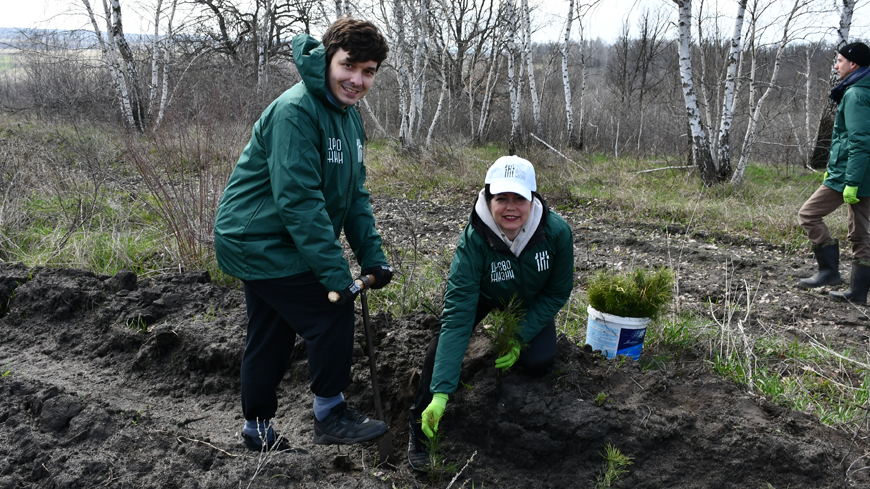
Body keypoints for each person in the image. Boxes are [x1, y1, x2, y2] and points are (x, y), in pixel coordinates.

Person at [213, 17, 393, 452]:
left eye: (368, 71)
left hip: (281, 238)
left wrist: (372, 255)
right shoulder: (295, 111)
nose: (357, 80)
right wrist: (336, 278)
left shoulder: (348, 118)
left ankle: (256, 430)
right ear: (328, 58)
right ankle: (330, 415)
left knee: (271, 331)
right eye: (349, 65)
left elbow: (353, 195)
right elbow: (300, 202)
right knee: (331, 312)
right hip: (257, 239)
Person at [405, 156, 574, 470]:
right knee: (440, 346)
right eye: (501, 198)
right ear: (488, 198)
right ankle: (419, 423)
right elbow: (458, 316)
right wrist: (441, 393)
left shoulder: (556, 233)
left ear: (533, 199)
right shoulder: (474, 240)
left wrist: (518, 336)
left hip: (529, 300)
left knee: (538, 361)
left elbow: (557, 291)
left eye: (519, 198)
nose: (510, 208)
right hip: (482, 297)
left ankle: (510, 403)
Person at [798, 41, 870, 305]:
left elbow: (859, 141)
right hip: (864, 174)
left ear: (854, 64)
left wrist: (850, 180)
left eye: (839, 61)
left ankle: (829, 272)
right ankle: (858, 293)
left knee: (808, 214)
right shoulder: (863, 89)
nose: (836, 66)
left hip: (850, 174)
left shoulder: (855, 94)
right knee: (860, 233)